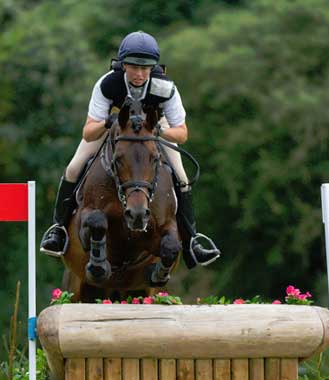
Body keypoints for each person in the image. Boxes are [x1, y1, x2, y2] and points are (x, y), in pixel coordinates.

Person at [40, 31, 220, 268]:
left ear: (153, 67)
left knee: (183, 178)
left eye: (145, 68)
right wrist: (109, 122)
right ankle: (59, 229)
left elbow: (182, 133)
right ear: (123, 64)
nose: (139, 74)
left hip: (156, 128)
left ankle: (192, 242)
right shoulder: (108, 83)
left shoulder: (165, 87)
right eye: (134, 67)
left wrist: (158, 132)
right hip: (115, 124)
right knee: (74, 167)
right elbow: (88, 131)